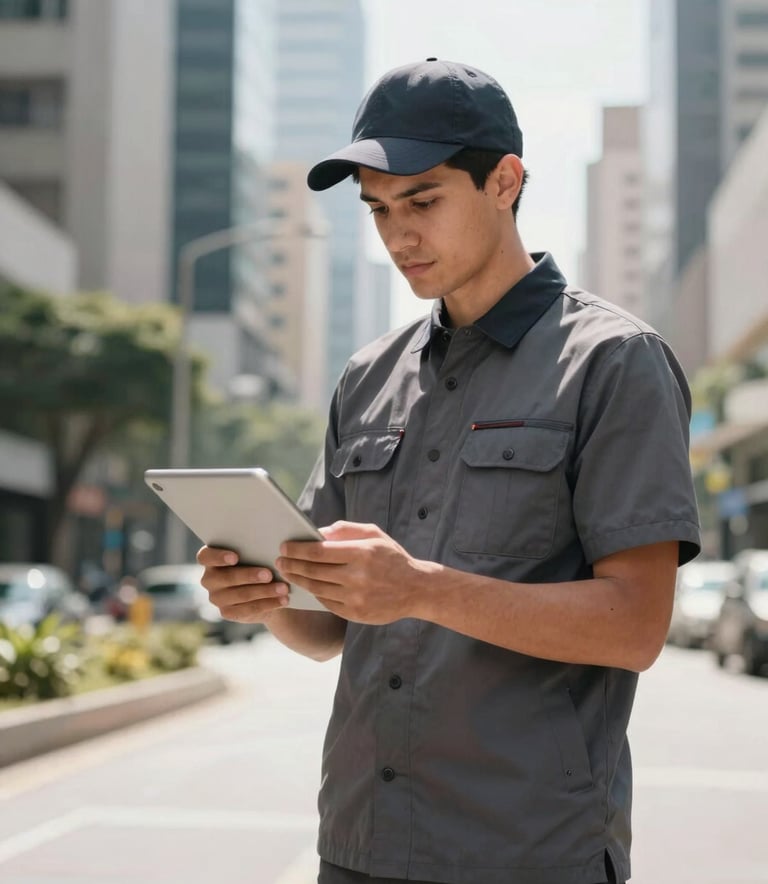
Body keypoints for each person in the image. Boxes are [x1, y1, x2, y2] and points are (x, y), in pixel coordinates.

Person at [198, 58, 701, 884]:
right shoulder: (367, 375)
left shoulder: (615, 362)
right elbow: (326, 628)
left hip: (526, 853)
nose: (399, 235)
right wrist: (265, 598)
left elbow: (636, 627)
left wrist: (422, 589)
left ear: (504, 181)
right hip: (360, 845)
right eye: (378, 210)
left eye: (423, 201)